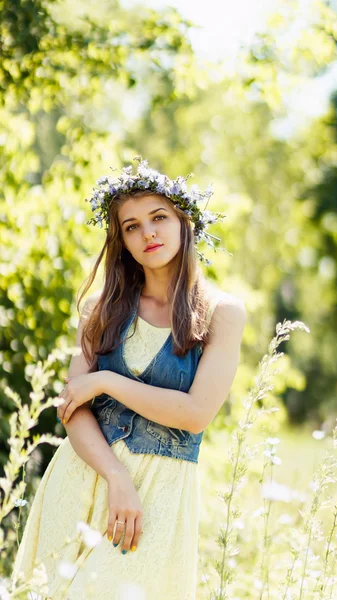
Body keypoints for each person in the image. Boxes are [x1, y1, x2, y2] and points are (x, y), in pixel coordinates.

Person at [11, 157, 246, 600]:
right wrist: (116, 476)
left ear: (184, 221)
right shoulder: (101, 308)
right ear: (121, 239)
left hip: (158, 498)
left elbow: (195, 415)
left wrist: (105, 383)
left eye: (158, 218)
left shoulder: (220, 314)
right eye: (132, 226)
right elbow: (72, 410)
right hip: (84, 476)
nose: (148, 234)